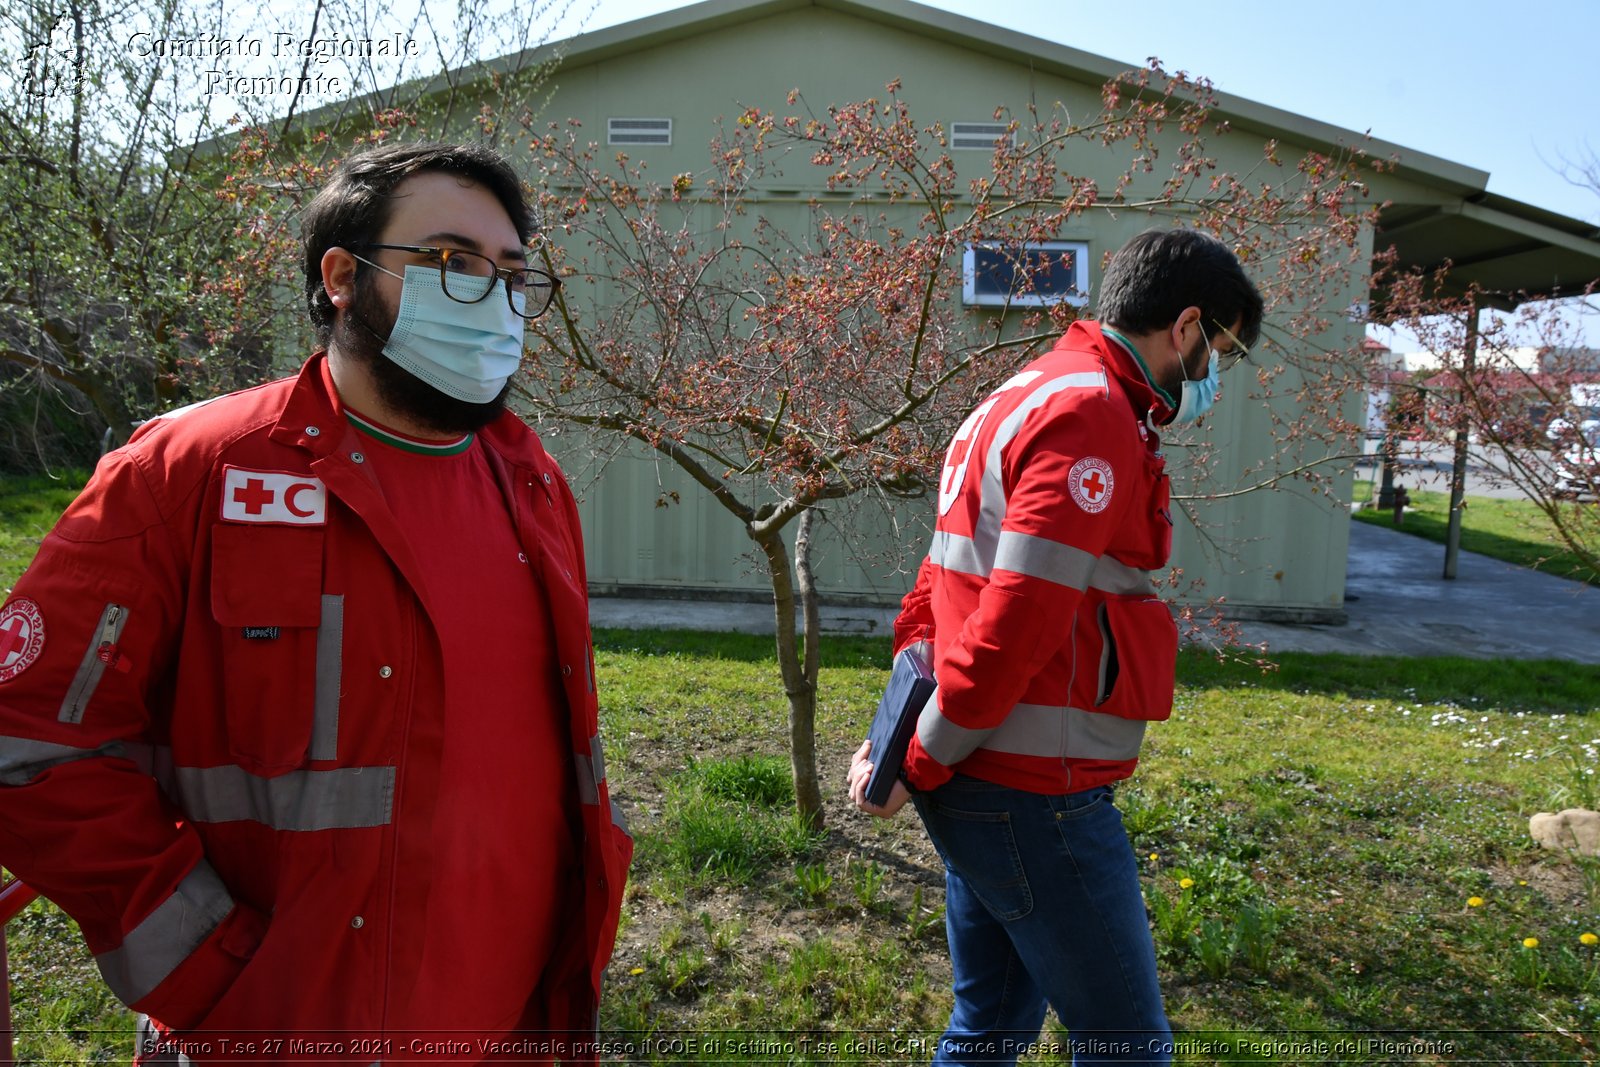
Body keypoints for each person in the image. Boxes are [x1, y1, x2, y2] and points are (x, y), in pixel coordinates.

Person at [0, 142, 631, 1064]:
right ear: (342, 276)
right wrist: (211, 975)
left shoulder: (532, 482)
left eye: (513, 273)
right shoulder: (188, 473)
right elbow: (27, 748)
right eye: (455, 263)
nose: (494, 299)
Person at [848, 228, 1263, 1066]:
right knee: (1128, 1048)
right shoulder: (1092, 414)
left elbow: (934, 589)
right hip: (1038, 795)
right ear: (1185, 328)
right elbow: (1018, 622)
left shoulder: (1016, 396)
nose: (1212, 376)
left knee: (991, 1028)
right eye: (1219, 351)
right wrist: (917, 758)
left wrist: (903, 736)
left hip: (986, 779)